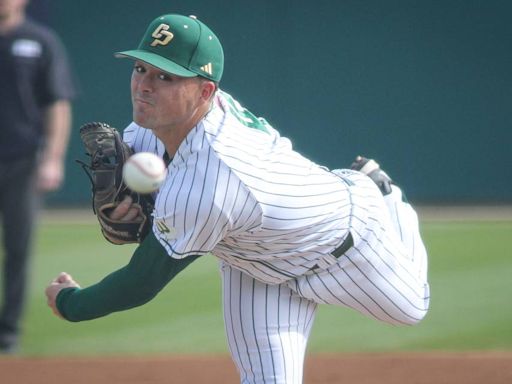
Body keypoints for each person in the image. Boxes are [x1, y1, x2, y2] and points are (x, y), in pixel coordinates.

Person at [45, 13, 429, 383]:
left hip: (345, 240)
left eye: (165, 76)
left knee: (412, 309)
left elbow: (141, 281)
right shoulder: (154, 128)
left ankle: (383, 192)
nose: (145, 85)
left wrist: (70, 303)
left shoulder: (214, 179)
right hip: (252, 259)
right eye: (141, 68)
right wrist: (124, 212)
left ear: (206, 91)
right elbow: (149, 208)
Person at [0, 0, 75, 353]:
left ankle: (8, 334)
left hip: (22, 160)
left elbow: (57, 102)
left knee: (18, 248)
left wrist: (53, 159)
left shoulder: (40, 41)